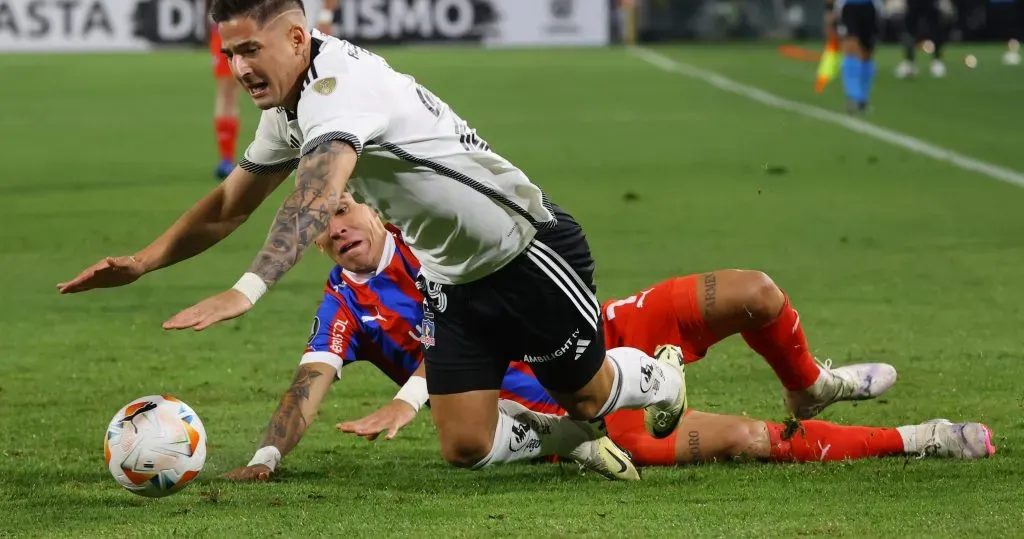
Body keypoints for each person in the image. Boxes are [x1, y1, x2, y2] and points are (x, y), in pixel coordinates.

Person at [57, 0, 685, 482]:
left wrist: (244, 289)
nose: (241, 67)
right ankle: (572, 440)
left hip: (524, 248)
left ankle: (660, 375)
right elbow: (229, 205)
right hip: (450, 275)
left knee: (589, 393)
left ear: (297, 39)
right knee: (465, 444)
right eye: (230, 53)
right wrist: (142, 261)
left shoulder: (340, 86)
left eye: (251, 49)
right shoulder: (288, 108)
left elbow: (317, 193)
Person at [222, 198, 993, 481]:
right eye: (320, 229)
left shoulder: (429, 229)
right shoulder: (344, 309)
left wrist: (409, 396)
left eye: (342, 212)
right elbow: (307, 384)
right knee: (756, 440)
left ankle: (811, 381)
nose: (338, 231)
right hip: (578, 407)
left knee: (757, 291)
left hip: (604, 328)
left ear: (364, 203)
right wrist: (264, 458)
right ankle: (922, 438)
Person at [203, 0, 293, 180]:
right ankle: (226, 159)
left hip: (262, 26)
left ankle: (288, 148)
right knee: (227, 89)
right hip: (226, 28)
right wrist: (208, 18)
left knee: (278, 85)